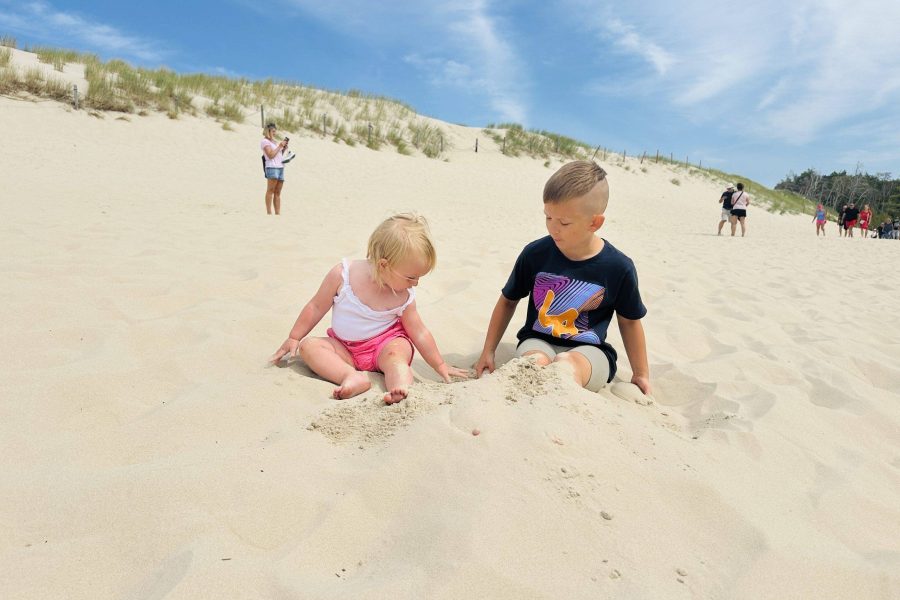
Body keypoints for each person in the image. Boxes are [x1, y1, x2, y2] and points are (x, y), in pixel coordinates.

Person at [474, 160, 651, 396]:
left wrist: (641, 374)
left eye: (564, 223)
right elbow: (508, 300)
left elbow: (629, 322)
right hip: (537, 341)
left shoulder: (618, 267)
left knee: (566, 367)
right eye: (548, 218)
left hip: (590, 351)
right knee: (533, 365)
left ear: (594, 223)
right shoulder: (535, 254)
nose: (553, 228)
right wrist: (488, 350)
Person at [270, 213, 468, 403]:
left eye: (419, 277)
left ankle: (401, 388)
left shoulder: (404, 296)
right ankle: (351, 376)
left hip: (385, 346)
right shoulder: (343, 276)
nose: (415, 283)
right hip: (345, 347)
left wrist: (439, 364)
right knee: (309, 346)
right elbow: (316, 306)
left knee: (397, 356)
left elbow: (419, 332)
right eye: (410, 277)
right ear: (383, 265)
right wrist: (295, 336)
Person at [261, 122, 288, 215]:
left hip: (280, 167)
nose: (274, 133)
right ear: (267, 131)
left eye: (275, 131)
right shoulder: (265, 142)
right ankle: (269, 212)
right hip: (272, 167)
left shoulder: (274, 142)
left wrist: (283, 149)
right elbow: (271, 155)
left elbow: (278, 155)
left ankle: (277, 213)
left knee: (278, 192)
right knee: (270, 190)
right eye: (273, 131)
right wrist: (280, 146)